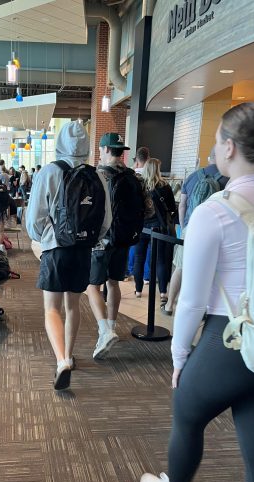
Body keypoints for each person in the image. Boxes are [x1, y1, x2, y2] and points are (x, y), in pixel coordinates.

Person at [140, 102, 254, 482]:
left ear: (227, 147)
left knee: (187, 411)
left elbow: (192, 302)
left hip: (230, 338)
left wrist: (180, 359)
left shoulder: (215, 210)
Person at [26, 120, 111, 390]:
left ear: (59, 143)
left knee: (51, 307)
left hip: (55, 249)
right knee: (73, 305)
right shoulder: (97, 175)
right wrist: (91, 240)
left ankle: (61, 360)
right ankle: (71, 355)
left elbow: (34, 218)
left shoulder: (50, 172)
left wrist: (43, 238)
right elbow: (106, 219)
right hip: (84, 249)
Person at [87, 132, 144, 359]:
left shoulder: (98, 175)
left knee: (92, 286)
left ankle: (105, 331)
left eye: (101, 149)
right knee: (113, 283)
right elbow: (147, 210)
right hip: (123, 238)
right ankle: (111, 327)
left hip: (101, 240)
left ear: (106, 149)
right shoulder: (134, 177)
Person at [162, 148, 228, 315]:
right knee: (210, 271)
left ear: (208, 157)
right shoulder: (228, 179)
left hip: (191, 228)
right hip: (215, 232)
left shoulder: (192, 176)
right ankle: (205, 310)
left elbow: (182, 205)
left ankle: (169, 305)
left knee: (180, 267)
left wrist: (184, 226)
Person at [133, 158, 176, 302]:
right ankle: (163, 293)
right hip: (158, 228)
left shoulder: (139, 185)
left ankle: (138, 290)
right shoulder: (165, 186)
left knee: (139, 258)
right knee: (160, 261)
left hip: (141, 227)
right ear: (157, 169)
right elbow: (171, 208)